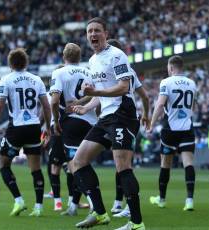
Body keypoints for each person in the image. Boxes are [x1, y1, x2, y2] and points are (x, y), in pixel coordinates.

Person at [70, 17, 146, 230]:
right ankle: (101, 213)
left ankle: (137, 223)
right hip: (106, 117)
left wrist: (96, 92)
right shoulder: (93, 60)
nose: (93, 34)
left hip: (123, 114)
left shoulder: (117, 55)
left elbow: (123, 87)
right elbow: (100, 93)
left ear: (105, 33)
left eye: (96, 30)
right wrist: (85, 105)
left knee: (123, 166)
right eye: (89, 32)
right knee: (78, 162)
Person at [0, 48, 51, 217]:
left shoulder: (6, 79)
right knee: (35, 168)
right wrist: (48, 128)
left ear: (10, 64)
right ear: (26, 62)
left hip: (17, 127)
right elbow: (46, 105)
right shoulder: (37, 79)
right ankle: (38, 207)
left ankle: (19, 201)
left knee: (3, 163)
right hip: (34, 126)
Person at [49, 43, 97, 216]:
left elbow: (54, 101)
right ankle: (73, 206)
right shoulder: (90, 72)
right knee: (81, 163)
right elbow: (96, 94)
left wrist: (55, 121)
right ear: (79, 56)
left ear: (64, 56)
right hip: (90, 121)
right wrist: (82, 103)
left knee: (75, 165)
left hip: (72, 122)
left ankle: (94, 203)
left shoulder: (59, 72)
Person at [106, 38, 150, 218]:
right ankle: (119, 203)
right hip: (123, 118)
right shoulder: (130, 71)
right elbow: (145, 97)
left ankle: (128, 205)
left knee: (124, 165)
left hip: (122, 118)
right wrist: (146, 114)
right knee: (122, 164)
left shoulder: (116, 69)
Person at [148, 55, 197, 211]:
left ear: (170, 68)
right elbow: (192, 106)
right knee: (188, 163)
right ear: (182, 67)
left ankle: (162, 199)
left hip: (170, 128)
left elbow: (161, 104)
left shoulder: (166, 82)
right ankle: (189, 200)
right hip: (187, 127)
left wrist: (152, 123)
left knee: (165, 164)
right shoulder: (192, 83)